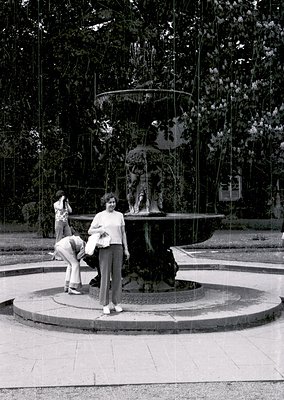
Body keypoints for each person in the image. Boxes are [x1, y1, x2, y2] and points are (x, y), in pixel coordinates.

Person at [88, 192, 130, 314]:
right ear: (105, 203)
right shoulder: (100, 216)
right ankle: (105, 304)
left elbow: (123, 233)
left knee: (117, 276)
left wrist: (126, 249)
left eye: (113, 202)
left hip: (118, 247)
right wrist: (100, 230)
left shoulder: (120, 215)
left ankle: (117, 302)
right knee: (105, 276)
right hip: (105, 248)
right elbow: (90, 230)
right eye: (109, 202)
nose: (112, 204)